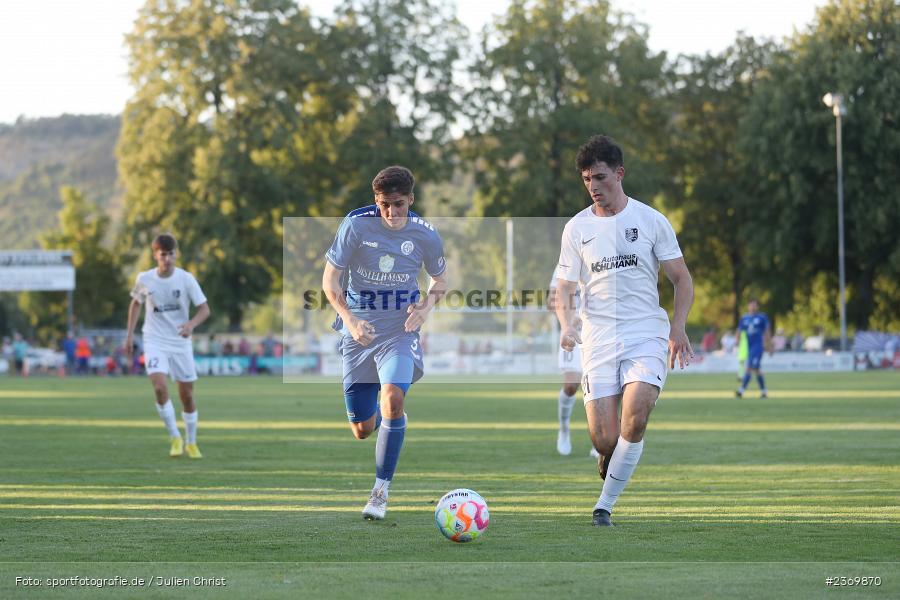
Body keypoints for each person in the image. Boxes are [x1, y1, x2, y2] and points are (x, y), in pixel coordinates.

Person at [554, 135, 694, 527]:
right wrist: (567, 324)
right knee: (605, 440)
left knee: (636, 416)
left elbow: (681, 279)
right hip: (597, 339)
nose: (593, 186)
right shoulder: (575, 229)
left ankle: (604, 505)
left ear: (619, 174)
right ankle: (607, 454)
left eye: (599, 177)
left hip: (646, 333)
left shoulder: (651, 220)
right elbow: (563, 288)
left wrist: (677, 327)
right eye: (586, 179)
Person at [322, 165, 448, 521]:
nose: (391, 213)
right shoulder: (355, 225)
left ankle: (379, 493)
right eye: (383, 205)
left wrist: (423, 310)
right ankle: (390, 421)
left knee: (392, 397)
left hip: (399, 330)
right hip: (359, 332)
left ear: (410, 199)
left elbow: (441, 280)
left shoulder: (425, 234)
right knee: (362, 429)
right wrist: (349, 319)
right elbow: (329, 282)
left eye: (397, 204)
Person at [126, 233, 211, 459]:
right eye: (163, 255)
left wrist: (191, 325)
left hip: (180, 341)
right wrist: (128, 337)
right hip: (154, 340)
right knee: (160, 387)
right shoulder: (145, 278)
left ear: (176, 254)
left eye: (171, 254)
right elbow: (135, 305)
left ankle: (191, 442)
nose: (168, 259)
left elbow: (204, 309)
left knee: (187, 396)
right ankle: (174, 436)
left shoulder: (186, 279)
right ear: (156, 255)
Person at [548, 272, 599, 458]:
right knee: (571, 386)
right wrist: (569, 320)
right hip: (572, 333)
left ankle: (599, 440)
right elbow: (550, 301)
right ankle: (563, 428)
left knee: (598, 387)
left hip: (599, 333)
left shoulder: (603, 258)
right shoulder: (565, 263)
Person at [734, 298, 771, 398]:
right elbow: (739, 330)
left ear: (757, 307)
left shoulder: (762, 318)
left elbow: (767, 332)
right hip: (749, 348)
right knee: (757, 369)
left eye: (755, 305)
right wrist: (736, 341)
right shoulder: (745, 318)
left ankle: (741, 391)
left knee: (749, 368)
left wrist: (769, 345)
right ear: (748, 306)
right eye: (751, 305)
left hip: (758, 347)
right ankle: (764, 392)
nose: (753, 307)